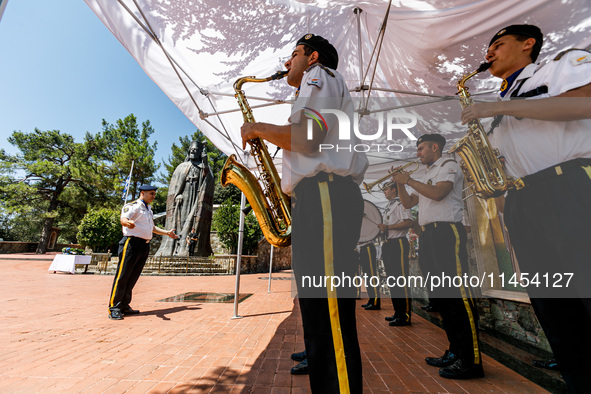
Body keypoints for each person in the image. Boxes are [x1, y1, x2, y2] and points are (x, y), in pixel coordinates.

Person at [461, 24, 591, 392]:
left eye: (498, 45)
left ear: (528, 43)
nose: (489, 53)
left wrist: (498, 106)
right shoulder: (502, 99)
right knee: (554, 308)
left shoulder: (557, 67)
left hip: (565, 189)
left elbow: (586, 102)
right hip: (522, 202)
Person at [241, 34, 368, 393]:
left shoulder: (320, 76)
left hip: (326, 193)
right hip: (318, 196)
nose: (286, 63)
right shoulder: (312, 87)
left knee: (328, 311)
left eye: (293, 54)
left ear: (312, 57)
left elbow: (309, 138)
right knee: (318, 312)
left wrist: (258, 129)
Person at [391, 134, 483, 379]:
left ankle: (471, 359)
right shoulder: (425, 174)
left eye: (421, 148)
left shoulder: (448, 165)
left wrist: (408, 178)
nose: (418, 153)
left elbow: (439, 193)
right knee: (442, 298)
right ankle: (455, 351)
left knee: (457, 295)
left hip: (446, 231)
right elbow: (409, 202)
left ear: (435, 147)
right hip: (428, 235)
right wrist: (400, 184)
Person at [108, 184, 179, 320]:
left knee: (133, 277)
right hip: (131, 243)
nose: (153, 196)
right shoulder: (133, 206)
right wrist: (128, 223)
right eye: (151, 193)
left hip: (144, 245)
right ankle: (114, 307)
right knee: (123, 276)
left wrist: (167, 233)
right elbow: (123, 218)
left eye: (154, 194)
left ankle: (124, 305)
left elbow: (152, 227)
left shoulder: (148, 210)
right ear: (142, 193)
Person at [156, 140, 214, 257]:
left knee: (192, 220)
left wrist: (205, 163)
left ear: (199, 152)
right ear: (189, 151)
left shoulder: (203, 166)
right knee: (179, 221)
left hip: (196, 198)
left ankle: (189, 250)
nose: (193, 151)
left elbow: (208, 180)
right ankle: (174, 248)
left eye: (196, 150)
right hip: (183, 199)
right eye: (192, 150)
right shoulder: (181, 167)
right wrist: (177, 195)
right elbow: (175, 185)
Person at [377, 181, 413, 326]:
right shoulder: (389, 206)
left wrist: (388, 227)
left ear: (393, 189)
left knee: (401, 279)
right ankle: (397, 312)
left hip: (398, 242)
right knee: (393, 280)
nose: (384, 192)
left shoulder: (400, 203)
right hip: (389, 244)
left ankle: (405, 315)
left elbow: (409, 222)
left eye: (386, 189)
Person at [358, 241, 380, 310]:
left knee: (371, 275)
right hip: (362, 247)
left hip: (368, 247)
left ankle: (375, 302)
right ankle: (371, 300)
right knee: (366, 276)